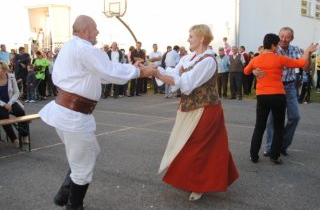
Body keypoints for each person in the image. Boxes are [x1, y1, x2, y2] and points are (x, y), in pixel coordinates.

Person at [38, 15, 156, 210]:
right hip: (73, 116)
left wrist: (130, 68)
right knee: (83, 169)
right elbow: (110, 71)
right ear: (85, 31)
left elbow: (98, 74)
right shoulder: (84, 49)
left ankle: (63, 195)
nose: (98, 32)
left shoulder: (70, 47)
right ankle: (73, 206)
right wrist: (142, 72)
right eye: (95, 29)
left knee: (90, 152)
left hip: (69, 114)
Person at [155, 24, 238, 201]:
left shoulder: (208, 61)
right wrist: (154, 70)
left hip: (206, 109)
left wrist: (158, 74)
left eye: (191, 36)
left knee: (199, 147)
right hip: (188, 108)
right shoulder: (189, 58)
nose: (188, 39)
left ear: (201, 38)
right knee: (186, 144)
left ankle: (199, 185)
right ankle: (195, 180)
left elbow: (186, 84)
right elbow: (173, 72)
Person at [244, 33, 317, 164]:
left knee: (259, 126)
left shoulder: (256, 59)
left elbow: (245, 71)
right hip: (278, 95)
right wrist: (307, 51)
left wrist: (254, 71)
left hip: (262, 96)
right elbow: (300, 63)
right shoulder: (279, 58)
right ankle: (274, 156)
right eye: (277, 45)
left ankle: (253, 156)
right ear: (272, 45)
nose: (278, 47)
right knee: (278, 127)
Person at [255, 27, 310, 157]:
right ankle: (269, 147)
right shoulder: (271, 49)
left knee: (295, 117)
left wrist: (308, 56)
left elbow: (305, 66)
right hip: (275, 88)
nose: (284, 39)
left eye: (287, 37)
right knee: (271, 120)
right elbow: (256, 65)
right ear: (278, 37)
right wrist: (254, 71)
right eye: (282, 36)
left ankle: (281, 145)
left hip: (290, 87)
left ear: (292, 38)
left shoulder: (296, 50)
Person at [0, 61, 30, 148]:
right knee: (3, 115)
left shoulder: (11, 77)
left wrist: (9, 104)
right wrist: (4, 105)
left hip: (11, 101)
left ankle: (25, 135)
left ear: (5, 69)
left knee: (20, 111)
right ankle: (14, 139)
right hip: (1, 104)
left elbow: (16, 93)